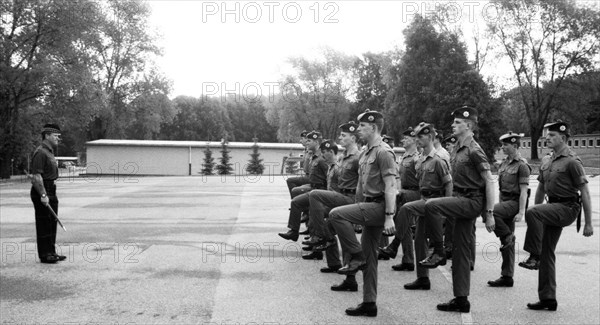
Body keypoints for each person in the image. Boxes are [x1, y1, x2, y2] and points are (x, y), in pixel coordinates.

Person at [422, 106, 495, 313]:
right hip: (460, 200)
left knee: (432, 206)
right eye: (453, 122)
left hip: (470, 201)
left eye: (457, 123)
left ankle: (437, 250)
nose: (453, 125)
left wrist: (488, 214)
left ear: (469, 125)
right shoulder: (457, 148)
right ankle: (461, 300)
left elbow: (489, 181)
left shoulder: (474, 150)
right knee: (461, 253)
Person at [329, 109, 397, 317]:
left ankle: (355, 256)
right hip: (367, 205)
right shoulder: (366, 152)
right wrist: (357, 208)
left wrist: (389, 217)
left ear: (374, 127)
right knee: (371, 258)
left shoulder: (383, 152)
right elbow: (360, 185)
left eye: (362, 126)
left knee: (336, 214)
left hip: (378, 208)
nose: (358, 129)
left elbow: (391, 185)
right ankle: (369, 303)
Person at [521, 121, 593, 311]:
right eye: (547, 135)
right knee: (547, 251)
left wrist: (588, 223)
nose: (547, 138)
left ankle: (533, 256)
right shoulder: (546, 160)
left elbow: (584, 192)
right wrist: (537, 212)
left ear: (563, 138)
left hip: (568, 208)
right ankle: (548, 299)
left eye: (552, 135)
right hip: (551, 207)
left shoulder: (572, 161)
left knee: (539, 243)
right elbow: (541, 188)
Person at [306, 122, 360, 291]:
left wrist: (360, 208)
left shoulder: (359, 157)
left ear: (353, 137)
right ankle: (347, 276)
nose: (340, 138)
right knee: (340, 234)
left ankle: (322, 237)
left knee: (314, 194)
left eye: (344, 136)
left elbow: (363, 183)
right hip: (342, 197)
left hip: (351, 198)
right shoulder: (344, 157)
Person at [399, 122, 452, 291]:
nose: (418, 140)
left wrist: (446, 207)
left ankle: (394, 246)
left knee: (406, 208)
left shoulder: (439, 159)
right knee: (419, 241)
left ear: (430, 137)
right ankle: (423, 278)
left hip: (434, 203)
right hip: (424, 200)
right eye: (416, 137)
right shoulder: (421, 159)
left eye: (420, 137)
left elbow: (448, 184)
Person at [488, 131, 531, 288]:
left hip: (514, 202)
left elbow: (524, 191)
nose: (502, 147)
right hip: (505, 201)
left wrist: (521, 212)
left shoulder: (522, 166)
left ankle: (507, 236)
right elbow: (501, 188)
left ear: (514, 145)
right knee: (507, 243)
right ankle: (507, 276)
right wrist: (500, 203)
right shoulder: (504, 164)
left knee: (492, 212)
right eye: (502, 144)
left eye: (505, 145)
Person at [378, 128, 420, 271]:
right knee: (405, 227)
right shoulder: (405, 157)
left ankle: (394, 246)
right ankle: (408, 260)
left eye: (406, 138)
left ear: (414, 140)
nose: (403, 140)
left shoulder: (416, 157)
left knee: (403, 223)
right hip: (405, 193)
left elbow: (423, 179)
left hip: (413, 194)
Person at [278, 131, 328, 246]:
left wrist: (328, 192)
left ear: (316, 142)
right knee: (296, 201)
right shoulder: (313, 155)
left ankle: (315, 239)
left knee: (308, 209)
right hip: (313, 186)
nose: (306, 142)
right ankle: (294, 231)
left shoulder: (321, 157)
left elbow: (328, 176)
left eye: (309, 140)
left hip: (319, 189)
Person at [29, 123, 66, 264]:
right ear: (47, 135)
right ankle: (45, 254)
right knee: (44, 222)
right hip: (42, 190)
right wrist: (43, 195)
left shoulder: (49, 152)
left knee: (51, 221)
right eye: (56, 136)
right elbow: (37, 176)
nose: (58, 139)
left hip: (51, 188)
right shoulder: (40, 152)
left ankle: (51, 251)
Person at [286, 130, 311, 196]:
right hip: (307, 175)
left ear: (307, 139)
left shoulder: (311, 151)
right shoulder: (306, 150)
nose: (300, 141)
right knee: (294, 182)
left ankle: (295, 202)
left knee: (290, 181)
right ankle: (298, 200)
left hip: (311, 176)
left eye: (302, 139)